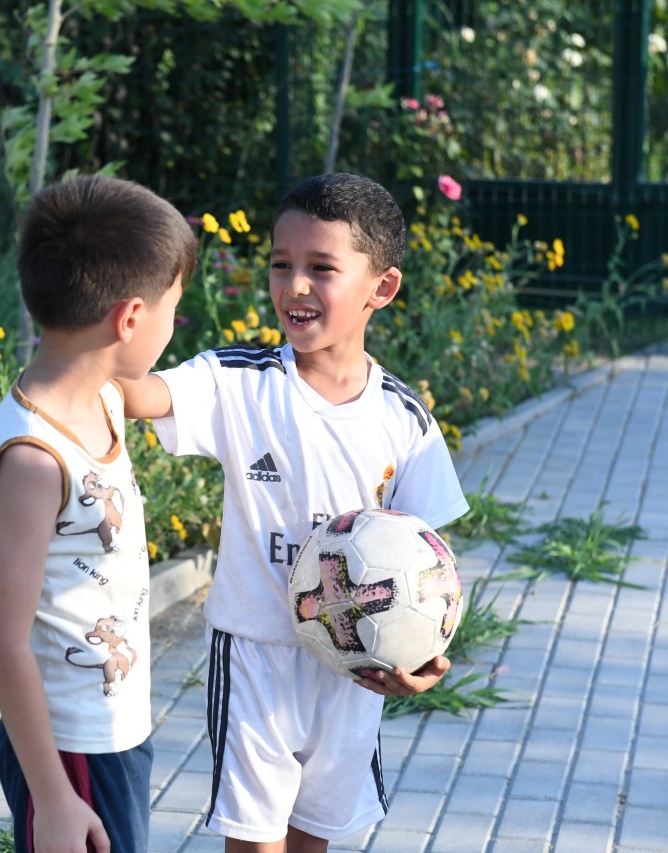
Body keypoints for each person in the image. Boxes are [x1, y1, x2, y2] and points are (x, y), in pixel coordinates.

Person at [118, 172, 470, 852]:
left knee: (315, 837)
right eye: (281, 265)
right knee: (254, 840)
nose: (295, 286)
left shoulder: (407, 422)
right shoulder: (236, 380)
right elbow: (141, 395)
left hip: (354, 667)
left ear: (382, 288)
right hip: (256, 652)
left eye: (321, 268)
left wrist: (426, 653)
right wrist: (93, 334)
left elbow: (431, 564)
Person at [0, 174, 197, 853]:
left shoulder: (102, 394)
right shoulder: (37, 461)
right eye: (172, 311)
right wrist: (53, 799)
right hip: (69, 747)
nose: (173, 325)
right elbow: (3, 638)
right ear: (129, 319)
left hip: (114, 723)